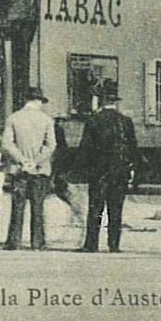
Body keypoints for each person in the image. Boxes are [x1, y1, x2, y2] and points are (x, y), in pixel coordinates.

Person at [79, 91, 138, 253]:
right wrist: (131, 169)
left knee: (95, 208)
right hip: (120, 171)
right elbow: (133, 148)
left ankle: (91, 244)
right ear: (115, 102)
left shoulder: (93, 120)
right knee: (116, 209)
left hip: (98, 171)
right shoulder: (126, 121)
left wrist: (84, 169)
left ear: (100, 102)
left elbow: (85, 148)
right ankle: (114, 244)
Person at [1, 88, 57, 250]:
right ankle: (37, 242)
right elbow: (51, 145)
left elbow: (7, 143)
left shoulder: (13, 118)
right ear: (38, 101)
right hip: (39, 170)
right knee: (38, 206)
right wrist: (35, 161)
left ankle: (14, 241)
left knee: (17, 206)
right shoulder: (46, 120)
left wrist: (22, 160)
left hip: (19, 169)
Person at [51, 117, 85, 226]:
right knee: (64, 192)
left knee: (63, 191)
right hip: (60, 164)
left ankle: (77, 215)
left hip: (58, 165)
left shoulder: (57, 130)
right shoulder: (59, 131)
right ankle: (77, 215)